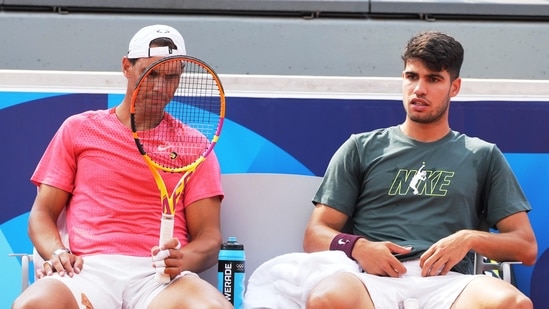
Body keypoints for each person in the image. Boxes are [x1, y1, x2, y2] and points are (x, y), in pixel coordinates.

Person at [245, 31, 538, 309]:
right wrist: (359, 247)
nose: (419, 89)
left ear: (455, 87)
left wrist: (469, 238)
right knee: (327, 298)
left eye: (434, 79)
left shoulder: (482, 155)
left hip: (449, 283)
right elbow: (315, 234)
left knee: (514, 303)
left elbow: (525, 247)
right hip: (369, 279)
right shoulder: (361, 147)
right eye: (412, 77)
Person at [12, 24, 232, 309]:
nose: (160, 87)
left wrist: (183, 259)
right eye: (150, 74)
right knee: (32, 305)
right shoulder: (78, 129)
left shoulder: (195, 145)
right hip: (87, 270)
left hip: (159, 278)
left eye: (171, 77)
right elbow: (41, 214)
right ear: (126, 67)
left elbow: (209, 237)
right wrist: (57, 252)